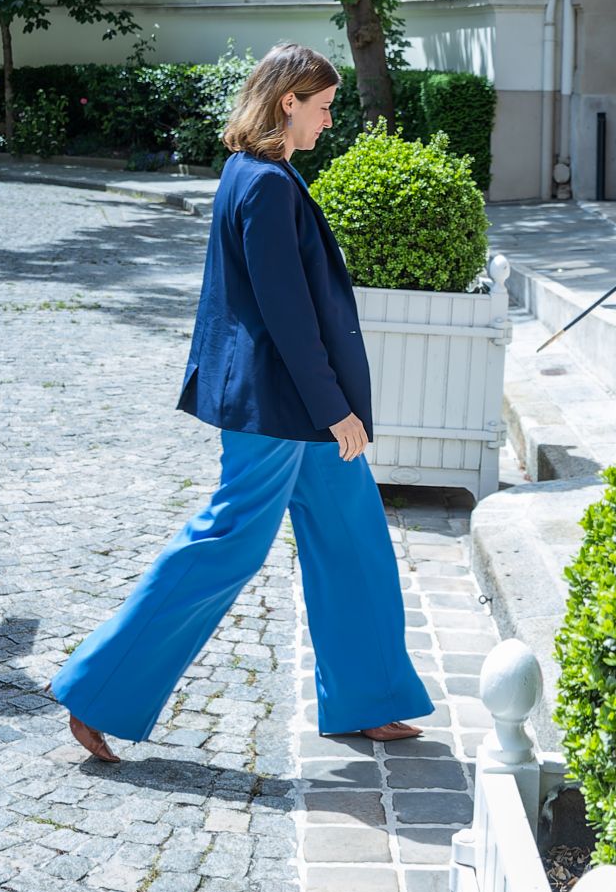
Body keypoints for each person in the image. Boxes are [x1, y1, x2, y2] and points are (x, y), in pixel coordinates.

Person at [51, 43, 432, 762]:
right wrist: (336, 409)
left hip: (294, 407)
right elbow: (286, 317)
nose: (328, 121)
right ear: (287, 102)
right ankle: (96, 688)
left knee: (354, 541)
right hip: (279, 410)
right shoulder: (263, 184)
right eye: (321, 108)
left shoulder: (261, 173)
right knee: (226, 545)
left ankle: (371, 697)